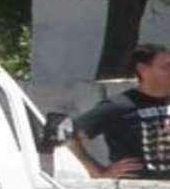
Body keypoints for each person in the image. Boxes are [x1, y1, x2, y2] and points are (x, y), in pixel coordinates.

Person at [70, 43, 170, 179]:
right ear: (142, 69)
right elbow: (67, 135)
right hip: (136, 188)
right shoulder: (119, 106)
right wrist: (99, 171)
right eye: (166, 67)